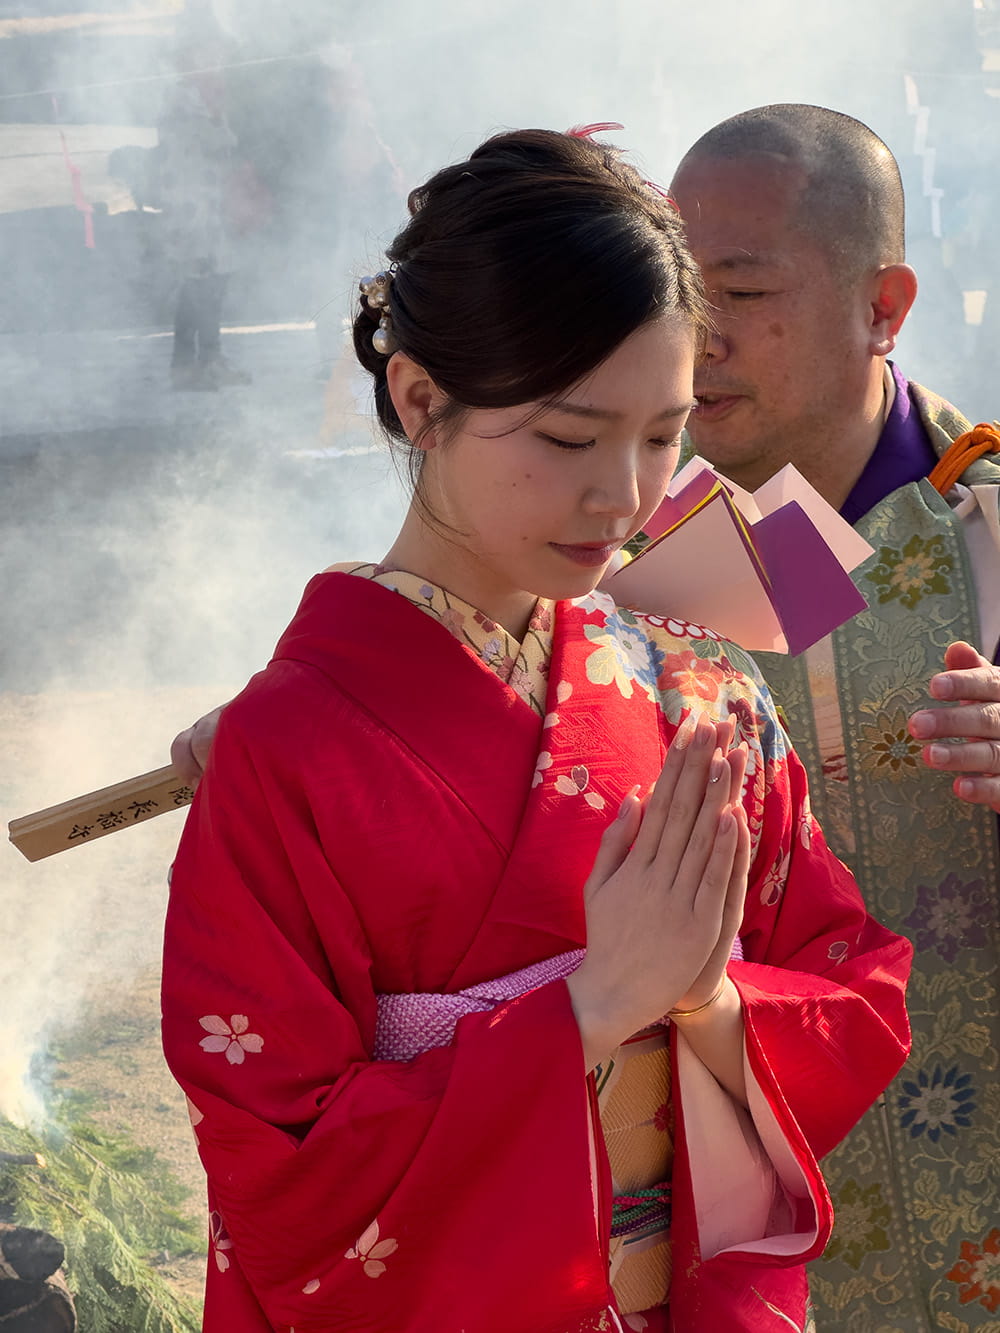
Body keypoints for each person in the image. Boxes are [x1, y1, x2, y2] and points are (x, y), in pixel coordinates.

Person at [160, 128, 911, 1332]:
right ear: (420, 397)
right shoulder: (285, 747)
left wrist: (708, 1000)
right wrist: (594, 1006)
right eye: (568, 437)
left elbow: (851, 986)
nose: (620, 493)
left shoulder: (702, 690)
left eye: (663, 434)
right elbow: (280, 1167)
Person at [668, 104, 1000, 1331]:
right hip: (731, 1234)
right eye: (672, 287)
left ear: (883, 305)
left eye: (742, 291)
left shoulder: (985, 533)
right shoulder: (611, 556)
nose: (696, 338)